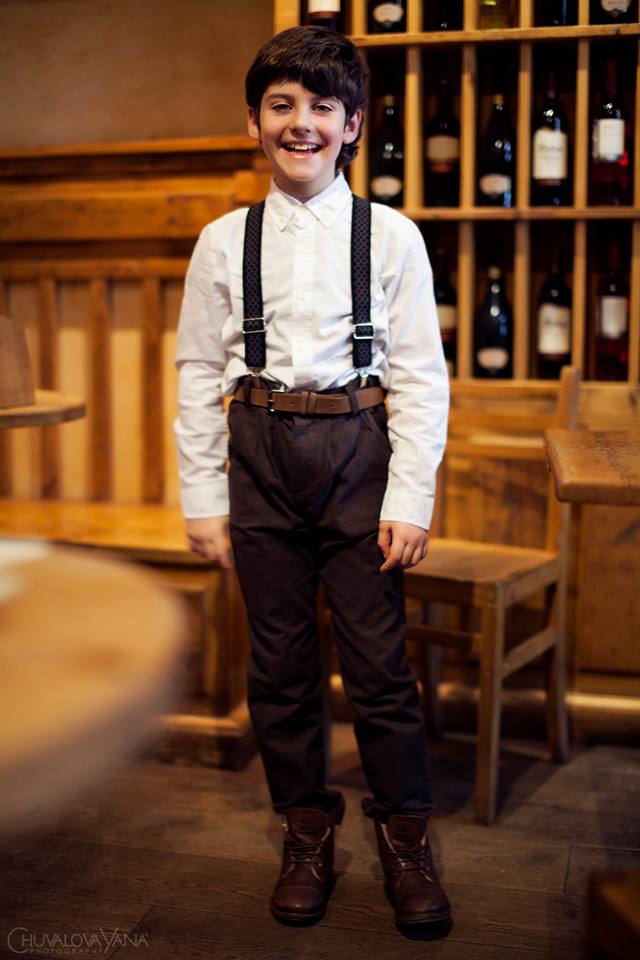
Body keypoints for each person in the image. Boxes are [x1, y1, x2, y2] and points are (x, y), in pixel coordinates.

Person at [173, 24, 451, 936]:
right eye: (281, 105)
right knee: (281, 665)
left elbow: (420, 377)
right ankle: (305, 832)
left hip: (359, 455)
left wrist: (410, 498)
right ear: (253, 122)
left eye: (322, 107)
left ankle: (406, 840)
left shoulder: (392, 235)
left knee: (378, 667)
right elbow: (194, 371)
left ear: (353, 124)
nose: (302, 123)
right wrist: (203, 497)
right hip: (257, 454)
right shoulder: (223, 241)